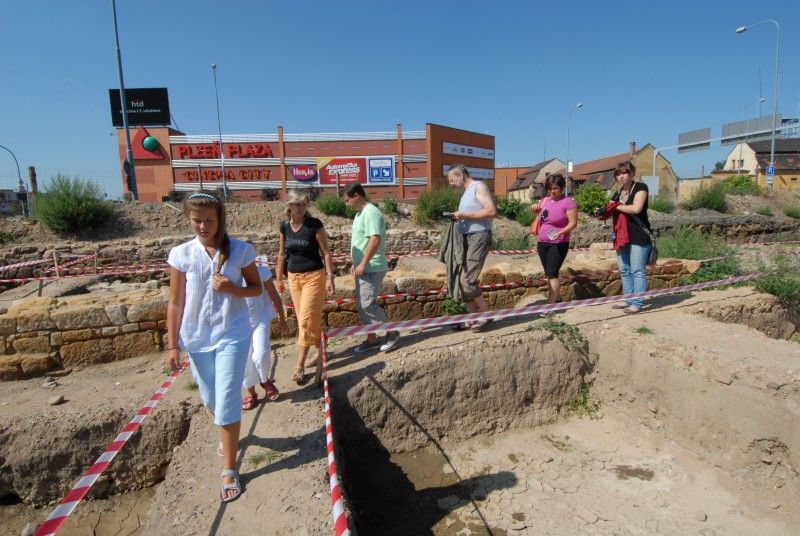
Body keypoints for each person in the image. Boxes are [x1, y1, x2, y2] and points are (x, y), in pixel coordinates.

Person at [166, 189, 262, 503]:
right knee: (210, 396)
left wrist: (233, 288)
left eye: (209, 220)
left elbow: (256, 289)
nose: (203, 226)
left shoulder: (241, 250)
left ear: (220, 218)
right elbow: (175, 301)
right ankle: (226, 430)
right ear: (188, 220)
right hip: (196, 337)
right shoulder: (181, 255)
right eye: (197, 221)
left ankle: (230, 468)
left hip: (232, 333)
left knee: (227, 396)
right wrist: (171, 344)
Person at [275, 190, 335, 385]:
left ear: (307, 205)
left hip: (314, 277)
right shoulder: (284, 226)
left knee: (305, 322)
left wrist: (330, 277)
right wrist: (279, 278)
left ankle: (299, 364)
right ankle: (321, 349)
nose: (299, 208)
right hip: (293, 278)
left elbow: (326, 252)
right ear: (289, 206)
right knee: (306, 320)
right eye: (295, 204)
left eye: (303, 204)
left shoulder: (314, 225)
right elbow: (282, 254)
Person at [342, 183, 400, 353]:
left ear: (357, 196)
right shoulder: (360, 214)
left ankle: (392, 332)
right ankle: (372, 338)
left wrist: (363, 263)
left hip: (372, 267)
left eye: (347, 200)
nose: (346, 204)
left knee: (367, 304)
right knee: (362, 305)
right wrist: (356, 263)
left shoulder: (371, 213)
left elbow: (375, 240)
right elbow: (361, 242)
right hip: (364, 267)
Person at [447, 163, 497, 331]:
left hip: (479, 236)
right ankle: (473, 317)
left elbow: (491, 211)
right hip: (467, 238)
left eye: (452, 179)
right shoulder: (465, 193)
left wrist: (465, 215)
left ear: (461, 175)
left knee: (468, 279)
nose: (451, 183)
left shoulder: (479, 186)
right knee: (460, 280)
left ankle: (485, 315)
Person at [242, 255, 288, 410]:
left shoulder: (262, 272)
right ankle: (251, 393)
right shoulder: (231, 275)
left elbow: (274, 295)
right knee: (245, 361)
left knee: (261, 354)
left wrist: (282, 317)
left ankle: (264, 379)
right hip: (239, 324)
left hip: (260, 318)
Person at [607, 161, 652, 314]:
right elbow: (611, 210)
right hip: (621, 236)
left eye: (624, 173)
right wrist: (602, 212)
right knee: (625, 270)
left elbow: (636, 208)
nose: (621, 176)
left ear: (632, 173)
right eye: (618, 174)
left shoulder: (641, 187)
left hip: (639, 236)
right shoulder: (617, 193)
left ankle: (637, 302)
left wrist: (616, 206)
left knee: (637, 270)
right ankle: (628, 300)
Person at [532, 174, 578, 304]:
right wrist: (535, 212)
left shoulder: (568, 202)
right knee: (549, 273)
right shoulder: (545, 200)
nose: (552, 191)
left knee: (552, 273)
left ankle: (550, 305)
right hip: (543, 242)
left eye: (555, 188)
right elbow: (542, 218)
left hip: (558, 242)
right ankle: (556, 298)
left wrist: (561, 232)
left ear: (562, 188)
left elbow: (573, 223)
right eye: (550, 188)